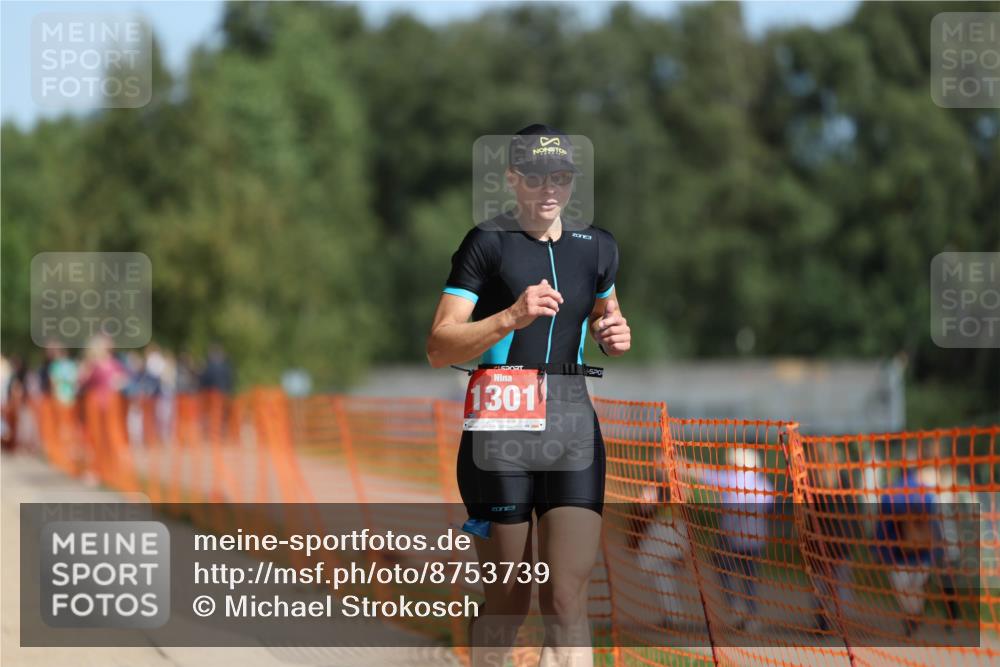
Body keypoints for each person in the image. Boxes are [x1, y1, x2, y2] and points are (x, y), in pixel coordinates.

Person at [426, 124, 630, 667]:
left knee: (566, 599)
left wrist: (615, 333)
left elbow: (606, 313)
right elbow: (440, 345)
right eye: (536, 177)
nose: (549, 190)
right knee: (509, 601)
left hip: (571, 430)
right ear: (513, 178)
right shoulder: (487, 242)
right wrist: (512, 316)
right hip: (501, 433)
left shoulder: (598, 246)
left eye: (561, 178)